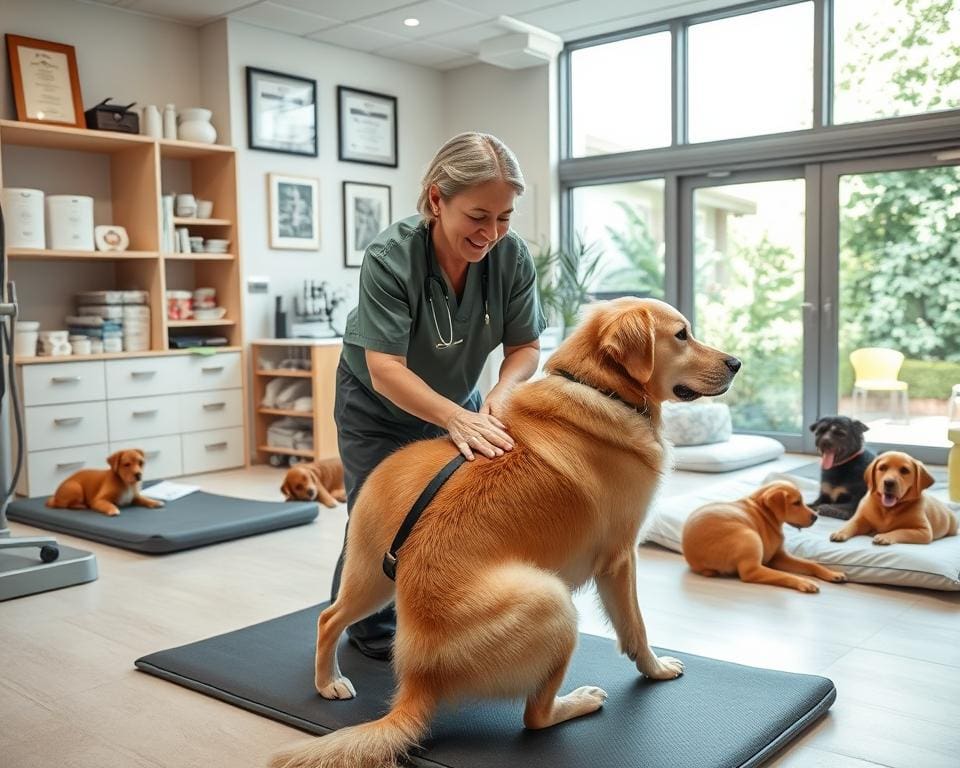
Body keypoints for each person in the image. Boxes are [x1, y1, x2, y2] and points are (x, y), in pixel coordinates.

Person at [330, 132, 546, 659]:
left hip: (459, 402)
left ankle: (447, 611)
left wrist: (501, 391)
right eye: (478, 216)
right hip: (375, 405)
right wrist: (458, 417)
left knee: (456, 513)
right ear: (436, 200)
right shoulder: (391, 255)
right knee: (379, 519)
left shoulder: (511, 257)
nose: (491, 233)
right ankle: (367, 631)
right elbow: (384, 369)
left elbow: (525, 346)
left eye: (504, 218)